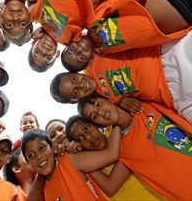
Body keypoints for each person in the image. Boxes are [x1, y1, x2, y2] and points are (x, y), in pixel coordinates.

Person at [51, 30, 192, 122]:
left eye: (74, 79)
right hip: (175, 98)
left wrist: (45, 32)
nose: (81, 85)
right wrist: (122, 102)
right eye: (76, 91)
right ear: (75, 100)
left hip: (170, 58)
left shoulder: (93, 56)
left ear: (75, 72)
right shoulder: (104, 102)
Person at [78, 94, 191, 200]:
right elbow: (110, 186)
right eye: (94, 116)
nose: (100, 112)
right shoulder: (122, 151)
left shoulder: (144, 103)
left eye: (98, 104)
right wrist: (80, 157)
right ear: (99, 125)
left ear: (108, 98)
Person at [65, 115, 171, 200]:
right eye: (80, 138)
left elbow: (111, 185)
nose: (89, 137)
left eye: (87, 128)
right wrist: (81, 155)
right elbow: (109, 189)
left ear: (96, 124)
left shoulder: (117, 132)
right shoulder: (90, 167)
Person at [21, 128, 121, 200]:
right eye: (31, 155)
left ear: (52, 147)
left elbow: (111, 154)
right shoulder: (42, 191)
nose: (38, 156)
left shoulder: (70, 160)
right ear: (29, 163)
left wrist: (118, 121)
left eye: (42, 148)